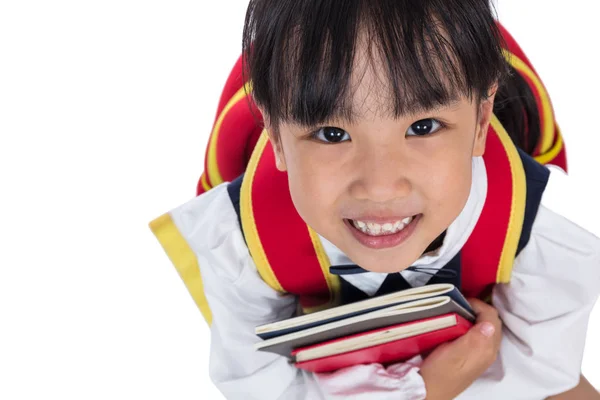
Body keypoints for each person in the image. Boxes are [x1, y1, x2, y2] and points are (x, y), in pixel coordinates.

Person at [149, 0, 600, 398]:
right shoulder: (245, 239)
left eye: (422, 127)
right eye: (332, 134)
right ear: (277, 139)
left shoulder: (533, 218)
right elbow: (257, 384)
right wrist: (429, 389)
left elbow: (544, 374)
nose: (381, 187)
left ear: (481, 121)